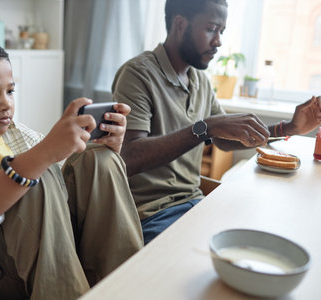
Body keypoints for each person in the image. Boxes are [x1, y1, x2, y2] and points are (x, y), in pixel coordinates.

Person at [0, 37, 143, 300]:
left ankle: (129, 289)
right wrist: (39, 158)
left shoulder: (21, 135)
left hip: (57, 252)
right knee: (34, 176)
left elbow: (62, 193)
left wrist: (111, 148)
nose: (6, 103)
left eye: (10, 91)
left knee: (98, 160)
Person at [112, 0, 321, 244]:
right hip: (151, 214)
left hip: (195, 203)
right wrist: (206, 128)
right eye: (211, 28)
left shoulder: (200, 79)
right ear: (180, 24)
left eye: (221, 31)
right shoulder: (138, 74)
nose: (218, 41)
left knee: (269, 231)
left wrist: (289, 128)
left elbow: (224, 138)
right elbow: (129, 156)